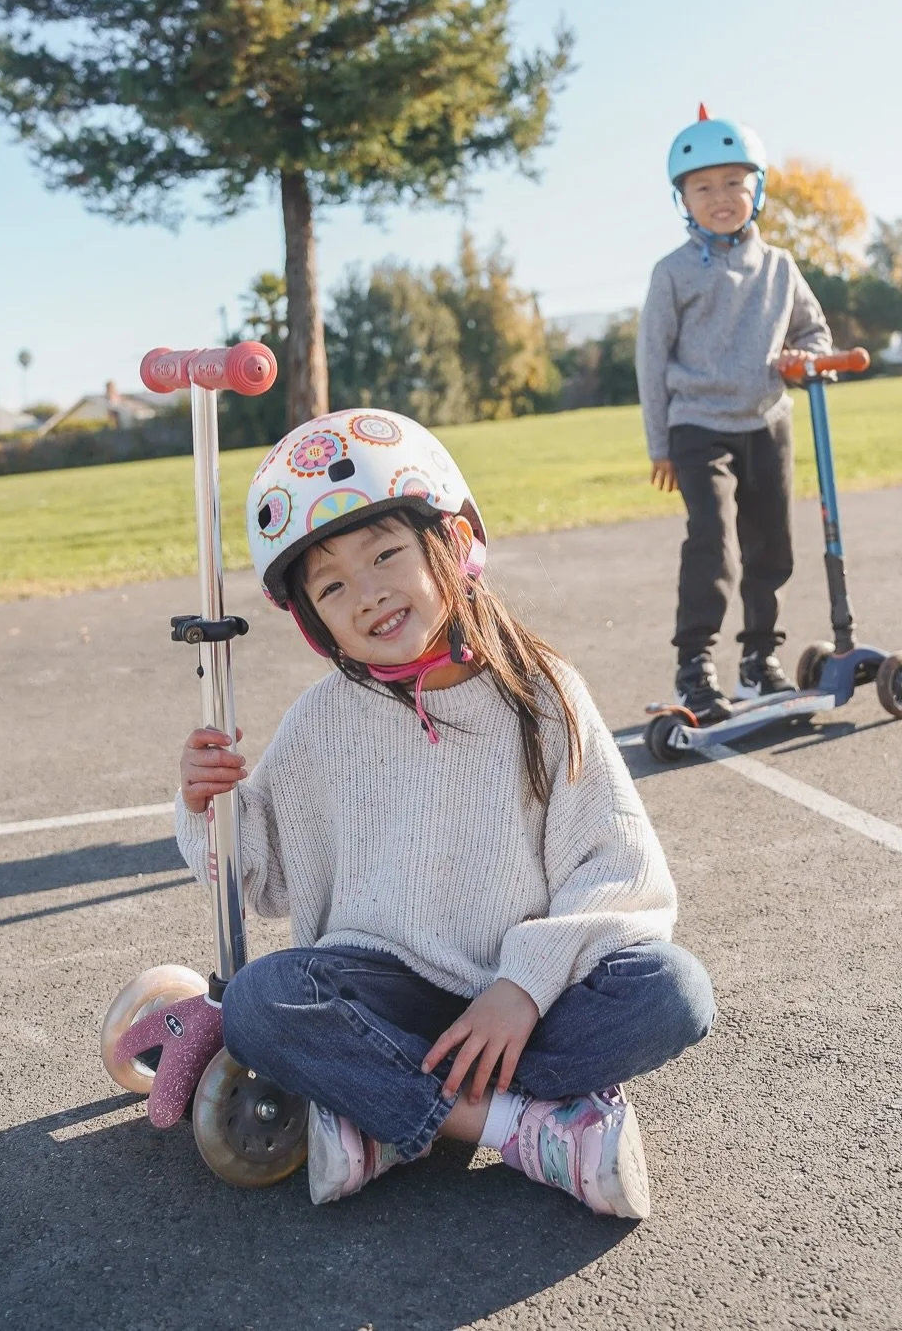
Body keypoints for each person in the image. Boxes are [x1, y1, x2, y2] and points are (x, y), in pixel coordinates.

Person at [175, 410, 714, 1218]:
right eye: (329, 585)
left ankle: (386, 1111)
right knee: (260, 1003)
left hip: (522, 1000)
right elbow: (261, 873)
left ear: (454, 544)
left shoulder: (541, 693)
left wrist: (522, 988)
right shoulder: (322, 723)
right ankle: (526, 1128)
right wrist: (203, 802)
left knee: (672, 990)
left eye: (385, 552)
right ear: (312, 621)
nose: (368, 593)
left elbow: (620, 872)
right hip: (383, 994)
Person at [637, 106, 833, 722]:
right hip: (698, 427)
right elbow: (651, 360)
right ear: (682, 199)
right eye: (702, 187)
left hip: (768, 422)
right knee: (713, 542)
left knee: (772, 547)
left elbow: (814, 329)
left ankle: (758, 661)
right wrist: (659, 443)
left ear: (759, 191)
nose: (720, 198)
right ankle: (695, 665)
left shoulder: (780, 267)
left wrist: (808, 359)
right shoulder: (671, 274)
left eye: (733, 183)